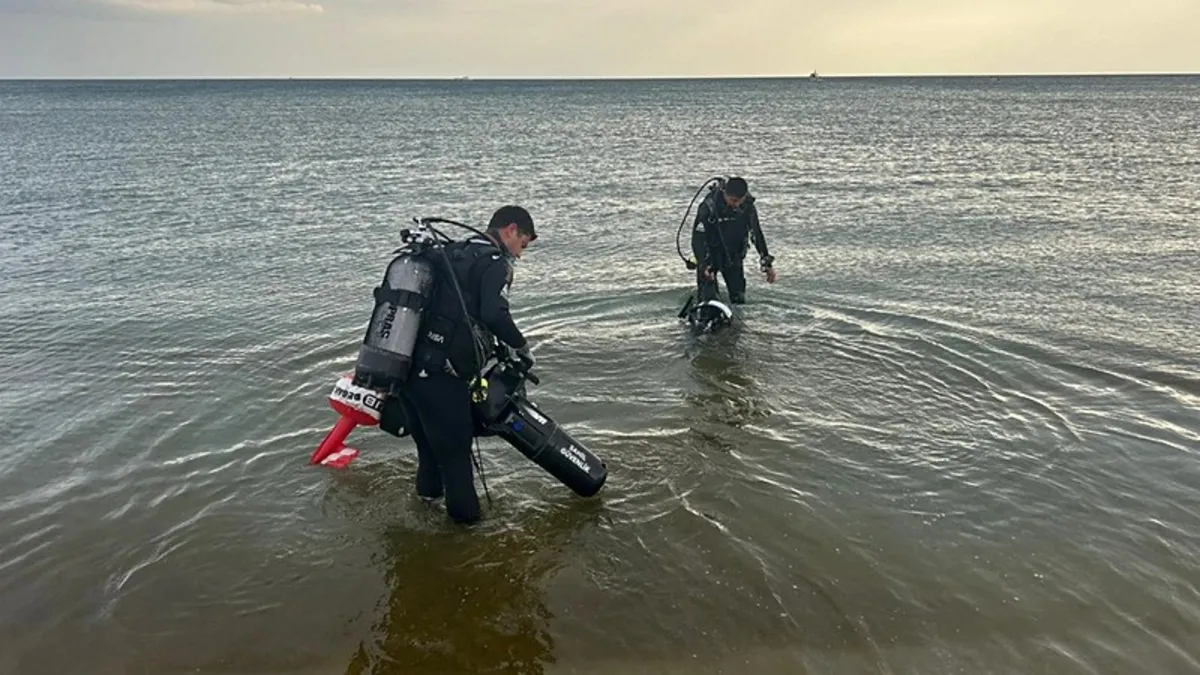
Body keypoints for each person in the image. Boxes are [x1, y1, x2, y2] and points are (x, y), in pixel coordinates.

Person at [392, 205, 537, 524]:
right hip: (442, 380)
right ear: (510, 230)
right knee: (458, 464)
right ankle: (468, 545)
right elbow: (494, 314)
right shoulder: (495, 264)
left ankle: (424, 518)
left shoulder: (452, 251)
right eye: (523, 244)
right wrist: (523, 348)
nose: (520, 254)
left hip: (406, 371)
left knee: (429, 454)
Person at [689, 176, 777, 305]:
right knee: (708, 301)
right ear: (725, 194)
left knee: (739, 299)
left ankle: (735, 323)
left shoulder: (747, 206)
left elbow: (756, 234)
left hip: (734, 256)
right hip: (710, 256)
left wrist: (767, 263)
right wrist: (703, 264)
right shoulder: (708, 206)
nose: (735, 204)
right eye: (732, 200)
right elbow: (697, 239)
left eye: (738, 201)